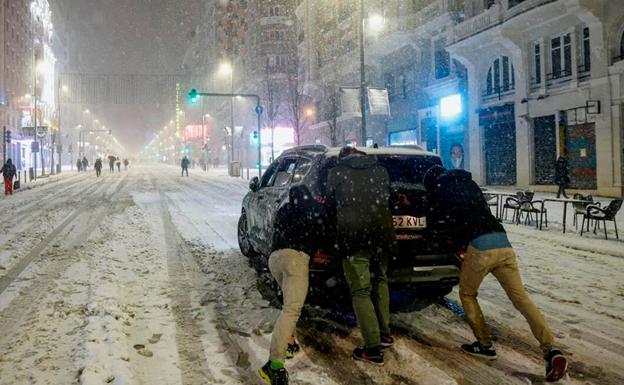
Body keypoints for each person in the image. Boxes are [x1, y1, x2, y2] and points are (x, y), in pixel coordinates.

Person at [424, 165, 568, 382]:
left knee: (467, 294)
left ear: (432, 182)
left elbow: (441, 221)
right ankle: (551, 350)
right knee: (521, 299)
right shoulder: (469, 183)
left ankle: (484, 345)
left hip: (480, 246)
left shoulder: (441, 190)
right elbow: (478, 210)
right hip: (502, 240)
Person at [326, 146, 395, 365]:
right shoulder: (380, 170)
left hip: (354, 237)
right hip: (382, 236)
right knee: (381, 281)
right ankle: (385, 333)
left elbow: (328, 202)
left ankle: (373, 348)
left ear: (342, 158)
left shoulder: (337, 172)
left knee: (361, 290)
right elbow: (389, 196)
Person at [258, 185, 327, 385]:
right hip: (296, 259)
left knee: (288, 302)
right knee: (292, 309)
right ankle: (274, 366)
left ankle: (289, 343)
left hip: (275, 259)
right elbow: (322, 230)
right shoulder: (311, 209)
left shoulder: (285, 209)